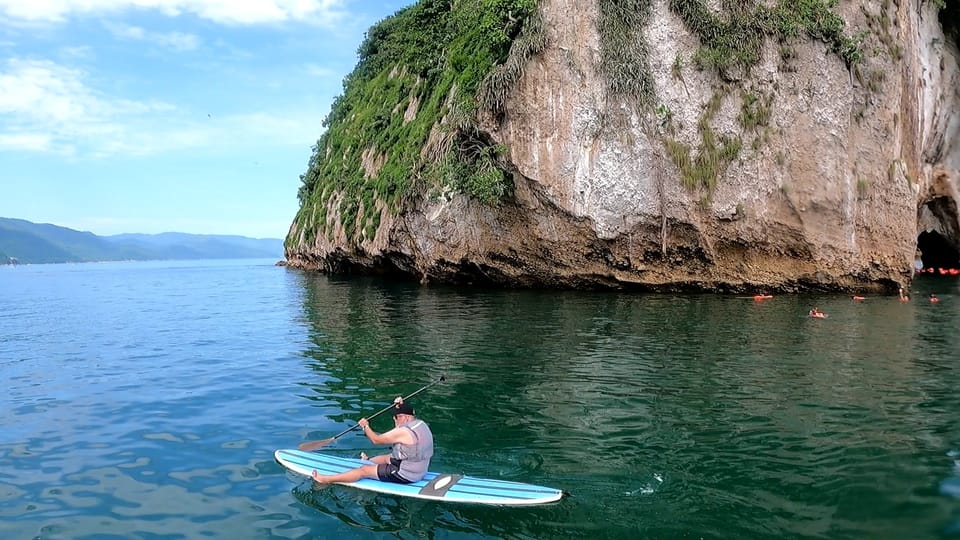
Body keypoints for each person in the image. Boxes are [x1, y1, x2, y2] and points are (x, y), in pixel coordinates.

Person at [311, 397, 434, 486]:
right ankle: (368, 461)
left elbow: (376, 440)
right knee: (385, 458)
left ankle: (326, 480)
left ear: (406, 417)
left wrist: (365, 426)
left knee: (363, 470)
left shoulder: (403, 431)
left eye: (396, 418)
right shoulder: (420, 423)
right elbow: (407, 414)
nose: (395, 421)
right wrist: (400, 404)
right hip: (420, 468)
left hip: (407, 475)